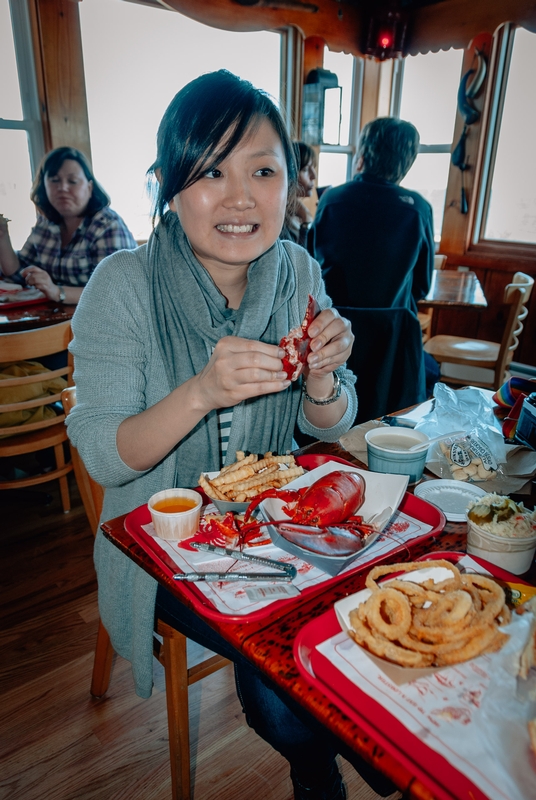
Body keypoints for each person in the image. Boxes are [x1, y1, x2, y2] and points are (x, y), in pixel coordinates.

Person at [66, 70, 399, 800]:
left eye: (264, 170)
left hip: (280, 526)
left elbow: (330, 422)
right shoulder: (122, 285)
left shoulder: (300, 271)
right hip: (164, 545)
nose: (242, 196)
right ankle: (332, 769)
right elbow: (102, 452)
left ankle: (388, 746)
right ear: (168, 182)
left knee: (378, 593)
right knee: (287, 679)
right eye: (212, 170)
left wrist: (319, 380)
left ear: (292, 182)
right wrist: (200, 393)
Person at [309, 117, 434, 315]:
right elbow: (421, 286)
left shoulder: (332, 199)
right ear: (407, 161)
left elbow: (311, 266)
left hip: (331, 325)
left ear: (363, 154)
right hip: (392, 330)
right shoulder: (418, 208)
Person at [0, 147, 137, 304]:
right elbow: (18, 275)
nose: (63, 188)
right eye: (54, 180)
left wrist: (57, 292)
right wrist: (3, 237)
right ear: (44, 186)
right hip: (60, 320)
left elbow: (117, 293)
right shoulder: (46, 224)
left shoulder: (107, 227)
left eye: (72, 181)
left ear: (89, 187)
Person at [281, 141, 317, 247]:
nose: (313, 176)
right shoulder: (281, 221)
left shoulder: (295, 213)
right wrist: (306, 222)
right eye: (305, 169)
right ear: (290, 174)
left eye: (313, 168)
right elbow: (300, 261)